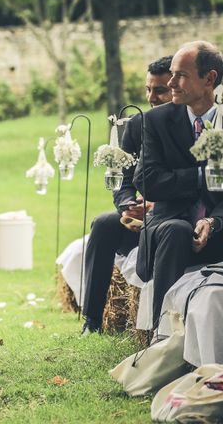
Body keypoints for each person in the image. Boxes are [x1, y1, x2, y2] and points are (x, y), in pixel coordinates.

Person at [134, 40, 223, 328]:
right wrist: (201, 175)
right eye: (172, 74)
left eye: (180, 75)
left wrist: (213, 221)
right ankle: (161, 336)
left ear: (209, 79)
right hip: (166, 230)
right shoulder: (156, 121)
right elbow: (148, 181)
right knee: (177, 229)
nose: (170, 82)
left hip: (218, 231)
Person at [81, 56, 173, 334]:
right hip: (140, 220)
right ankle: (92, 320)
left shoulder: (192, 125)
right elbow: (121, 180)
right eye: (148, 89)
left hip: (174, 217)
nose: (151, 97)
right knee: (103, 223)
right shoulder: (136, 125)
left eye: (160, 90)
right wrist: (127, 205)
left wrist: (156, 204)